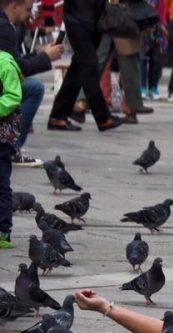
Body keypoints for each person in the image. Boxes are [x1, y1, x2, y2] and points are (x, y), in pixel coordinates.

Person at [0, 0, 63, 167]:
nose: (31, 14)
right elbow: (18, 69)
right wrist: (46, 58)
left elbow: (14, 61)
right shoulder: (5, 28)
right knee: (34, 88)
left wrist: (39, 54)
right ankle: (12, 147)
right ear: (14, 6)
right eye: (28, 9)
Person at [47, 0, 123, 132]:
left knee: (78, 68)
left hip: (93, 19)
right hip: (78, 19)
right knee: (89, 65)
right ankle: (102, 117)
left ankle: (58, 116)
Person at [0, 34, 22, 249]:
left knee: (1, 183)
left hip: (1, 134)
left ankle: (3, 231)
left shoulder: (5, 63)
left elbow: (13, 96)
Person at [139, 0, 166, 100]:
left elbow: (162, 10)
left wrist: (163, 25)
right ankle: (142, 87)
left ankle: (153, 87)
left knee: (156, 59)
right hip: (142, 28)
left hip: (157, 29)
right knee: (142, 59)